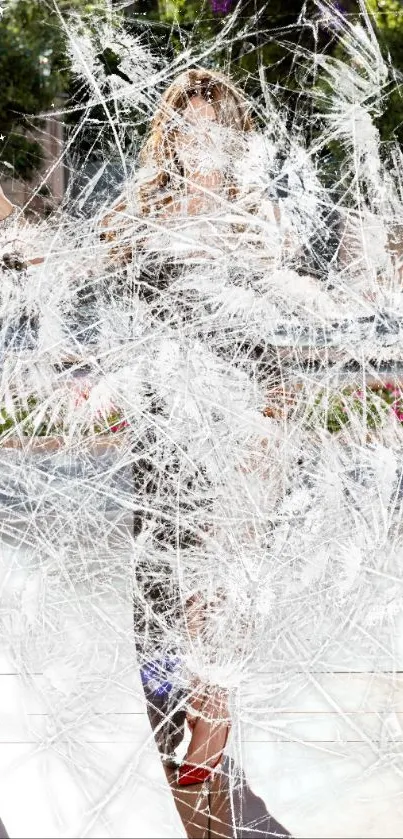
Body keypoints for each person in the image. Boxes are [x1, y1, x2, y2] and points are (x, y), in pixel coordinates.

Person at [101, 67, 292, 837]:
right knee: (166, 602)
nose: (198, 136)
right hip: (161, 424)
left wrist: (272, 415)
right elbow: (89, 290)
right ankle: (196, 753)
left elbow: (279, 318)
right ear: (168, 135)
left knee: (221, 590)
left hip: (239, 421)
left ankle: (209, 748)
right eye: (185, 123)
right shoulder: (136, 211)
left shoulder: (257, 216)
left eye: (213, 124)